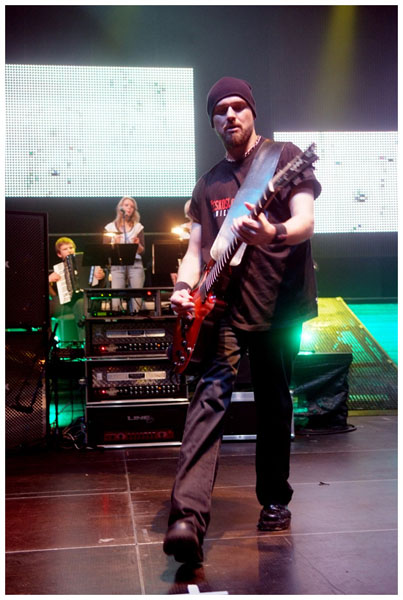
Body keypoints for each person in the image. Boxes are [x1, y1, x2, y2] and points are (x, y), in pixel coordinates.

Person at [163, 76, 321, 565]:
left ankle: (274, 499)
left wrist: (272, 232)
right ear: (212, 122)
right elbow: (195, 250)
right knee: (207, 401)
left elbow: (305, 221)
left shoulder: (283, 158)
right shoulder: (208, 182)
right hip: (224, 308)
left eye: (238, 107)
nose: (230, 115)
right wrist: (184, 288)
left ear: (252, 112)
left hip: (279, 305)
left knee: (274, 402)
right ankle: (187, 518)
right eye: (221, 110)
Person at [49, 237, 105, 341]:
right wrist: (48, 280)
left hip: (83, 300)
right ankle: (47, 343)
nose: (69, 251)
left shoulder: (86, 262)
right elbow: (47, 290)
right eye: (65, 249)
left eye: (71, 248)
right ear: (59, 254)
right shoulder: (58, 268)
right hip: (65, 303)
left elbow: (99, 286)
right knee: (45, 307)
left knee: (80, 304)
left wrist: (101, 276)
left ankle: (83, 342)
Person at [104, 196, 145, 311]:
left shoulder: (138, 227)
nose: (129, 208)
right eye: (126, 205)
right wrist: (114, 244)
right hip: (117, 265)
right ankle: (117, 319)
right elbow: (105, 250)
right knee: (116, 300)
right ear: (120, 207)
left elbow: (142, 251)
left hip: (135, 264)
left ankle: (136, 319)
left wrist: (137, 245)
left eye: (132, 207)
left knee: (136, 299)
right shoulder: (110, 227)